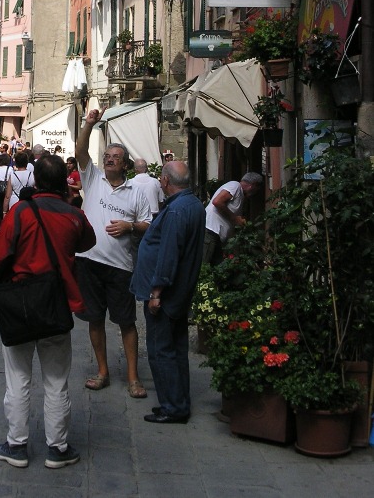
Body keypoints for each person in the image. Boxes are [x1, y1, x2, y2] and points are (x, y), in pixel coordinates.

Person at [0, 154, 96, 469]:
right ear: (65, 181)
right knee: (56, 379)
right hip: (56, 304)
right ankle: (58, 448)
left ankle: (17, 445)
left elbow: (0, 255)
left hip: (21, 303)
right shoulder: (72, 215)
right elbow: (88, 242)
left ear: (37, 181)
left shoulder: (20, 212)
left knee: (18, 378)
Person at [74, 108, 152, 399]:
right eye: (106, 155)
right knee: (94, 319)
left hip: (120, 266)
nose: (108, 159)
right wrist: (89, 123)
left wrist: (130, 225)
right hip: (89, 262)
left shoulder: (136, 192)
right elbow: (80, 149)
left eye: (115, 157)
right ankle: (103, 371)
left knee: (126, 322)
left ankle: (133, 377)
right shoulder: (92, 179)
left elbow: (148, 224)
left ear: (125, 165)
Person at [131, 161, 205, 424]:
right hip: (181, 291)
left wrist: (156, 292)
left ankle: (173, 407)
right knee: (176, 347)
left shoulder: (175, 211)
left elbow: (169, 254)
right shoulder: (193, 204)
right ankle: (179, 401)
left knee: (161, 349)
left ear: (165, 181)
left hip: (168, 295)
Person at [203, 172, 263, 265]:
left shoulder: (240, 195)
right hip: (210, 230)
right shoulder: (235, 186)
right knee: (204, 264)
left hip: (218, 235)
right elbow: (217, 202)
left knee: (217, 265)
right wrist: (235, 218)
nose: (256, 192)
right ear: (252, 185)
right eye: (257, 188)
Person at [2, 150, 35, 215]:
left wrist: (4, 212)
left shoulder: (12, 176)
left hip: (14, 202)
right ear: (27, 162)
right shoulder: (32, 175)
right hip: (28, 203)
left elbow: (7, 196)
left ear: (16, 163)